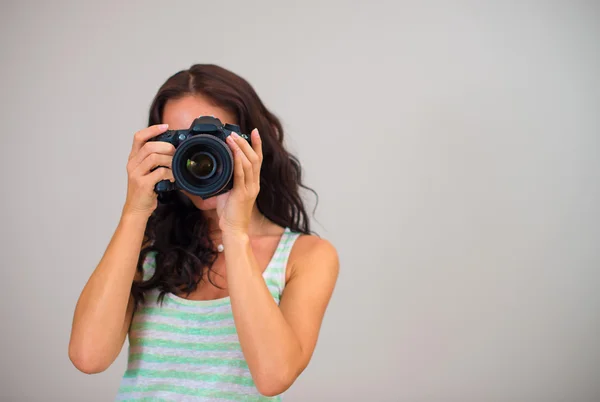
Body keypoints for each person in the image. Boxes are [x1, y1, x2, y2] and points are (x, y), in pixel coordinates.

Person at [68, 64, 339, 401]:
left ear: (256, 141)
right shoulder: (148, 248)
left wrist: (235, 229)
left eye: (215, 140)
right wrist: (134, 212)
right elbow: (88, 356)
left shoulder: (305, 257)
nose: (198, 157)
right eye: (184, 143)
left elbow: (273, 377)